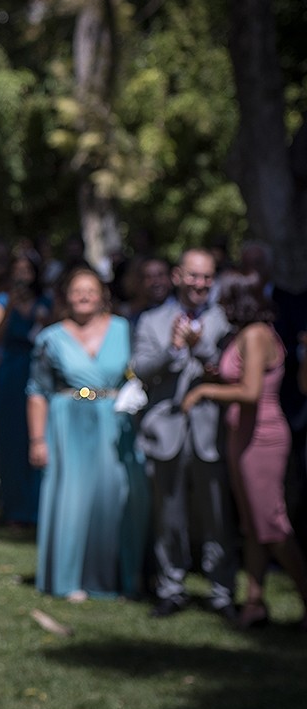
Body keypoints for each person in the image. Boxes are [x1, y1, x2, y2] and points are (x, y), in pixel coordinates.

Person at [182, 272, 307, 629]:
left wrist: (203, 392)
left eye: (224, 303)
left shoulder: (255, 335)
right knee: (253, 526)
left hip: (262, 437)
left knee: (272, 525)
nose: (220, 309)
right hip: (241, 435)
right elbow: (238, 380)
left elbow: (251, 392)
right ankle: (255, 603)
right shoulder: (243, 335)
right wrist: (213, 376)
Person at [27, 267, 149, 600]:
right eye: (77, 290)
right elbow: (37, 390)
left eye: (91, 290)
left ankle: (122, 577)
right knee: (73, 500)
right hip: (67, 423)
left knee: (118, 496)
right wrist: (37, 440)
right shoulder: (49, 337)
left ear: (103, 295)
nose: (84, 296)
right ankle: (69, 579)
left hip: (115, 421)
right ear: (66, 295)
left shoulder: (124, 329)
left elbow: (141, 371)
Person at [132, 249, 237, 619]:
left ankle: (222, 591)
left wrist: (200, 346)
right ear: (178, 276)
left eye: (207, 277)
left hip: (211, 432)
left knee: (217, 515)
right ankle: (171, 586)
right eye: (193, 276)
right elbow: (141, 369)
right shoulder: (151, 320)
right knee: (169, 516)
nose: (200, 284)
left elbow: (230, 371)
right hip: (167, 430)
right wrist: (173, 348)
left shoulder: (224, 320)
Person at [0, 255, 50, 526]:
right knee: (13, 439)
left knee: (38, 437)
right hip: (13, 372)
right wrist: (12, 305)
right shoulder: (2, 302)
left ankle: (40, 507)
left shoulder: (46, 301)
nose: (23, 276)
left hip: (38, 370)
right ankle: (14, 508)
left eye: (27, 270)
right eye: (18, 270)